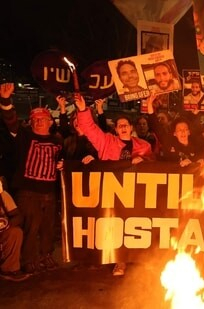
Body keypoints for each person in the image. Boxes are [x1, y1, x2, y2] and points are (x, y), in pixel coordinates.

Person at [75, 94, 154, 276]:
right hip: (112, 191)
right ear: (116, 130)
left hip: (136, 192)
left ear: (132, 128)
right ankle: (119, 261)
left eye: (126, 125)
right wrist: (82, 110)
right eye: (120, 126)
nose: (124, 127)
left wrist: (145, 160)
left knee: (136, 226)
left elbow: (154, 166)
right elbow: (89, 128)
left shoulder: (144, 146)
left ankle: (137, 258)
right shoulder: (106, 142)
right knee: (115, 227)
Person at [0, 83, 63, 274]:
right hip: (28, 192)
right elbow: (11, 121)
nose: (38, 122)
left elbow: (63, 161)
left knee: (47, 227)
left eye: (42, 119)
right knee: (30, 226)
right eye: (34, 119)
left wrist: (62, 165)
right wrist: (5, 100)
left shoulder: (57, 140)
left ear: (50, 121)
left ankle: (46, 255)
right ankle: (28, 259)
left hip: (49, 192)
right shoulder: (24, 137)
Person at [0, 179, 30, 281]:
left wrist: (6, 224)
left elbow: (18, 217)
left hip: (2, 232)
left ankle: (9, 269)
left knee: (15, 232)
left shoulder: (3, 196)